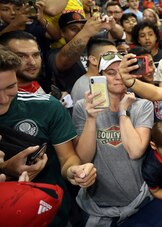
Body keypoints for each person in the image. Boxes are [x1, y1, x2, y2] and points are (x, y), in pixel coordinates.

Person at [0, 47, 97, 226]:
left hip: (52, 212)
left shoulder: (47, 107)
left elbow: (68, 158)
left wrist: (73, 171)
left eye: (10, 87)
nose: (4, 99)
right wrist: (6, 168)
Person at [72, 51, 154, 226]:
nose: (118, 77)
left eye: (122, 71)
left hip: (137, 201)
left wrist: (124, 112)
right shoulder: (83, 107)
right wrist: (91, 118)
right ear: (100, 77)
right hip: (96, 205)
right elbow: (83, 158)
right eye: (110, 73)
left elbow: (135, 151)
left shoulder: (143, 105)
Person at [71, 38, 117, 104]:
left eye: (117, 55)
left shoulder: (104, 80)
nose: (116, 59)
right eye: (110, 55)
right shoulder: (86, 88)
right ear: (93, 60)